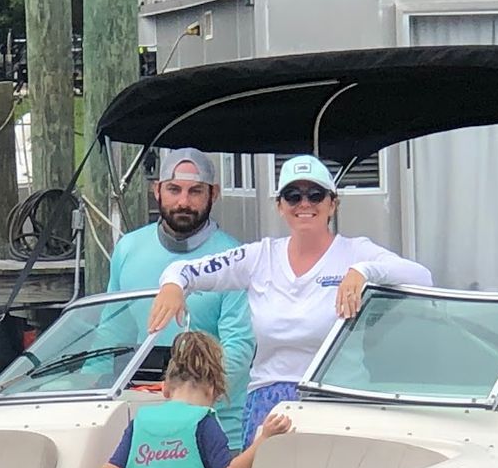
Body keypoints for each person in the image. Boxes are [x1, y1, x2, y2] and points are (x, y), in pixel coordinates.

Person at [148, 155, 432, 444]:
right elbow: (183, 270)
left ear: (332, 204)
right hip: (271, 404)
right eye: (293, 196)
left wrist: (363, 271)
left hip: (340, 398)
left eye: (316, 195)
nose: (305, 204)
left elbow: (421, 276)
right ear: (280, 206)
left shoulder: (356, 251)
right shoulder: (260, 256)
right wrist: (173, 285)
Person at [107, 147, 253, 449]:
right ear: (157, 190)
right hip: (143, 420)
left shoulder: (234, 259)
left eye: (195, 191)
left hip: (217, 428)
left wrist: (184, 400)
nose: (183, 202)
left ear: (213, 194)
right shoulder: (127, 249)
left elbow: (239, 350)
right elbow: (111, 333)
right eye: (174, 189)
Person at [100, 331, 292, 468]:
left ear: (165, 388)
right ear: (212, 390)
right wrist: (263, 439)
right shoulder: (203, 422)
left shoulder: (140, 421)